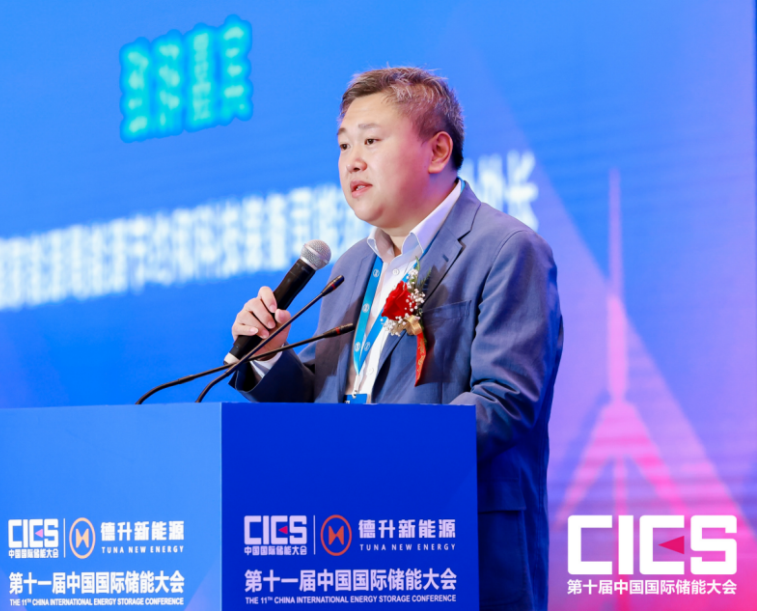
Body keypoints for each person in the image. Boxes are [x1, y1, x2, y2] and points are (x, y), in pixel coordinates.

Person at [229, 67, 563, 611]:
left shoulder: (506, 249)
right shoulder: (348, 269)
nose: (351, 161)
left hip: (457, 550)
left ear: (437, 151)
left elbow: (504, 403)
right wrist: (270, 359)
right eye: (343, 145)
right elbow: (325, 400)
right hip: (350, 546)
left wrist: (375, 454)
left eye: (371, 141)